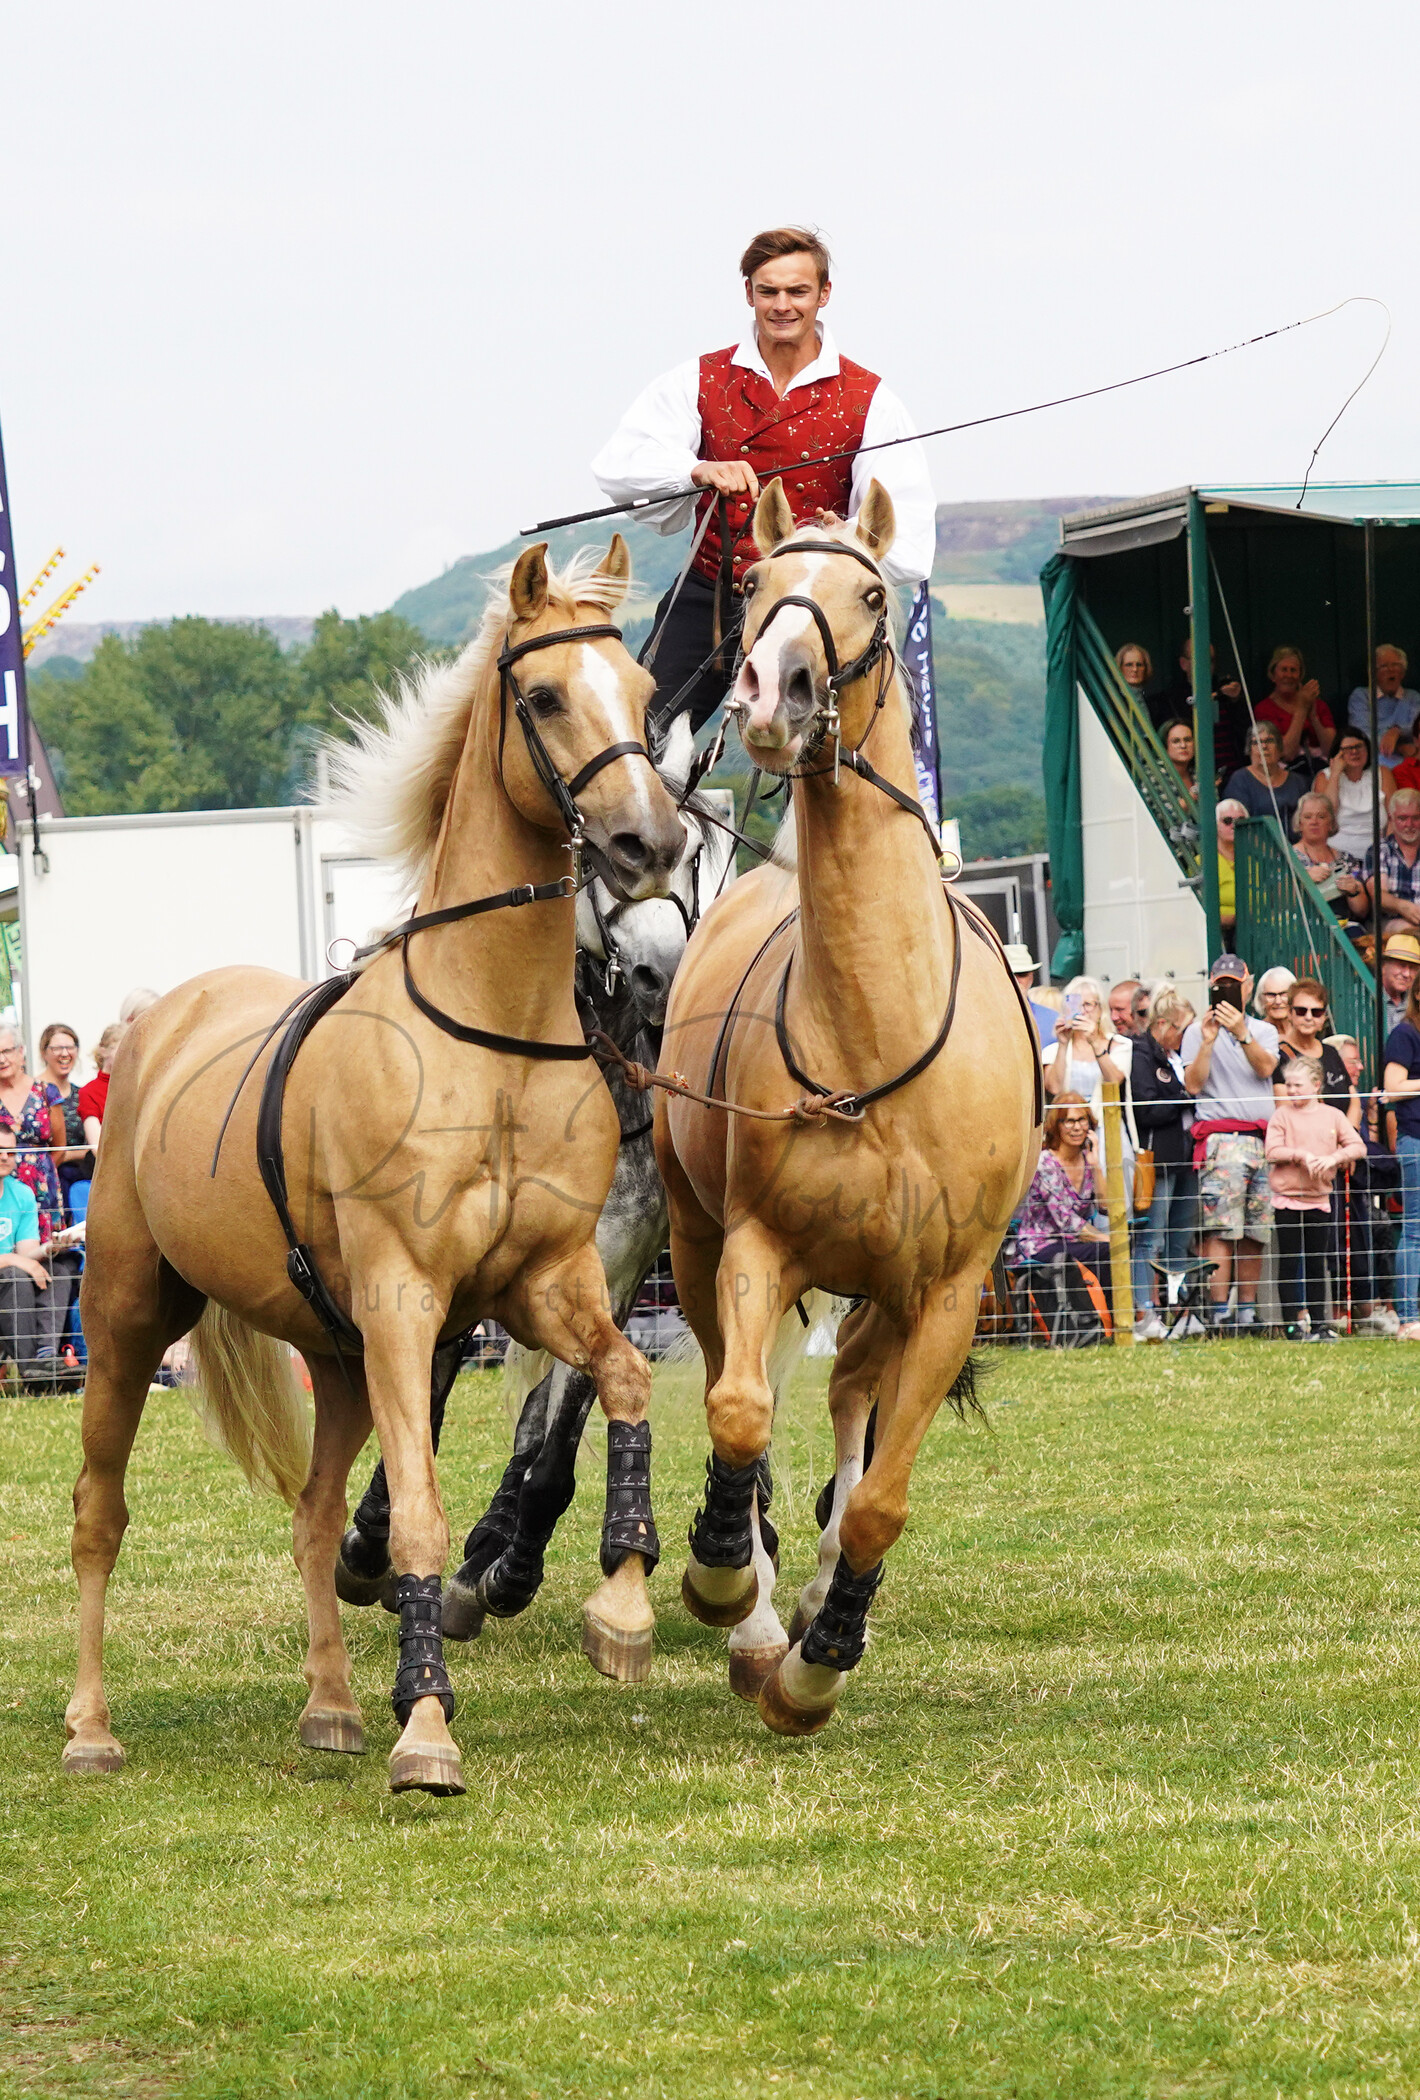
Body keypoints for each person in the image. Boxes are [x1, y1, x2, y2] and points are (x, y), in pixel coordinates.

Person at [591, 226, 935, 738]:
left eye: (797, 291)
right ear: (748, 293)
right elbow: (618, 464)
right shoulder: (699, 379)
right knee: (637, 741)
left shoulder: (872, 399)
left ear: (824, 295)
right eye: (768, 290)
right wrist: (694, 470)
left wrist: (843, 537)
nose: (782, 305)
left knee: (854, 775)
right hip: (710, 594)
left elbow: (909, 545)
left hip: (820, 610)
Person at [1182, 954, 1281, 1333]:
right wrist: (1208, 1041)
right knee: (1222, 1228)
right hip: (1222, 1138)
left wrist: (1242, 1033)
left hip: (1259, 1138)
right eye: (1220, 985)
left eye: (1233, 984)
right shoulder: (1196, 1031)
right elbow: (1193, 1084)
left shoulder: (1264, 1030)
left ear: (1248, 984)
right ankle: (1220, 1312)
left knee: (1256, 1230)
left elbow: (1266, 1068)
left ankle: (1247, 1312)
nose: (1227, 991)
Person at [1265, 1055, 1364, 1342]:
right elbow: (1272, 1150)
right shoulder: (1282, 1115)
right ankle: (1292, 1324)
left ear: (1317, 1085)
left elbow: (1357, 1146)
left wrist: (1334, 1157)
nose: (1292, 1091)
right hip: (1287, 1200)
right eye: (1288, 1085)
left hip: (1319, 1198)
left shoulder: (1332, 1115)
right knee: (1289, 1261)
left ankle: (1320, 1324)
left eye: (1298, 1085)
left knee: (1315, 1262)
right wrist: (1300, 1156)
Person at [1127, 986, 1197, 1340]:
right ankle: (1144, 1310)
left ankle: (1178, 1310)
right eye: (1182, 1029)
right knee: (1149, 1238)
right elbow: (1147, 1109)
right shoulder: (1140, 1054)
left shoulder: (1173, 1057)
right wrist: (1184, 1098)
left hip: (1185, 1159)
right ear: (1163, 1023)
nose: (1185, 1037)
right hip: (1156, 1160)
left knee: (1179, 1239)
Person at [1014, 1093, 1112, 1343]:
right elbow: (1067, 1222)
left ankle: (1112, 1324)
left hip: (1073, 1242)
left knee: (1112, 1251)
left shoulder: (1086, 1160)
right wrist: (1106, 1239)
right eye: (1068, 1121)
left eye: (1082, 1119)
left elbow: (1106, 1207)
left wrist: (1095, 1163)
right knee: (1109, 1250)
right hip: (1039, 1244)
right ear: (1056, 1126)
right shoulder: (1045, 1163)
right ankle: (1098, 1326)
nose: (1077, 1126)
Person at [1329, 1031, 1400, 1335]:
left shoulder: (1356, 1097)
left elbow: (1366, 1145)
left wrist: (1370, 1117)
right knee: (1337, 1242)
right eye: (1352, 1061)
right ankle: (1339, 1312)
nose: (1359, 1067)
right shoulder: (1333, 1098)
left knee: (1378, 1230)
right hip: (1334, 1179)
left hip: (1359, 1183)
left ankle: (1375, 1308)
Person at [0, 1123, 81, 1385]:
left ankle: (46, 1354)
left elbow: (27, 1253)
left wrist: (52, 1248)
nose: (4, 1157)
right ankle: (29, 1369)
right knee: (14, 1273)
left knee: (61, 1266)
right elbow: (19, 1260)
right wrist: (15, 1260)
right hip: (8, 1277)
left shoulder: (22, 1193)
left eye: (11, 1152)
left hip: (12, 1279)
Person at [1382, 978, 1420, 1340]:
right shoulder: (1405, 1034)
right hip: (1417, 1138)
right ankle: (1409, 1319)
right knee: (1415, 1230)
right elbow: (1393, 1087)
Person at [0, 1027, 62, 1240]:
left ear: (20, 1051)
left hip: (42, 1185)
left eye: (7, 1050)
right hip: (2, 1190)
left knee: (48, 1256)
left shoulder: (45, 1091)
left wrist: (40, 1169)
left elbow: (60, 1148)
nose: (2, 1059)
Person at [1149, 639, 1247, 775]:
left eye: (1210, 660)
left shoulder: (1227, 692)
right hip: (1197, 776)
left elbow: (1245, 732)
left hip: (1233, 773)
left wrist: (1236, 701)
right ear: (1184, 664)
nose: (1206, 665)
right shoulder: (1171, 700)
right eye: (1199, 659)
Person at [1273, 978, 1360, 1124]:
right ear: (1289, 1013)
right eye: (1301, 1011)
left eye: (1316, 1012)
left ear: (1324, 1017)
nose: (1308, 1017)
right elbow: (1286, 1110)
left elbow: (1354, 1100)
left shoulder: (1331, 1052)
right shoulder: (1279, 1055)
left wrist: (1348, 1136)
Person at [1042, 976, 1129, 1110]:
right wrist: (1063, 1044)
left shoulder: (1120, 1045)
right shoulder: (1052, 1050)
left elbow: (1114, 1082)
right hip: (1069, 1125)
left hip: (1107, 1125)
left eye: (1088, 1004)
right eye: (1075, 1005)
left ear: (1101, 1009)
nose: (1082, 1011)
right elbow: (1054, 1088)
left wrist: (1095, 1042)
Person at [38, 1021, 92, 1224]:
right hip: (46, 1181)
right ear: (44, 1053)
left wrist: (66, 1153)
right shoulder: (34, 1092)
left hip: (80, 1181)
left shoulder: (82, 1094)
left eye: (70, 1047)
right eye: (57, 1048)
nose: (64, 1053)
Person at [1291, 794, 1368, 933]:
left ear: (1331, 823)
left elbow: (1362, 911)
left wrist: (1353, 891)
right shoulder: (1287, 857)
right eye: (1308, 817)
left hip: (1342, 927)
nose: (1314, 822)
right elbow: (1276, 901)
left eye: (1321, 817)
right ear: (1299, 823)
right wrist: (1304, 879)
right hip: (1302, 929)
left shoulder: (1346, 859)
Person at [1255, 645, 1335, 768]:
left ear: (1300, 675)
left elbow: (1331, 749)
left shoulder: (1318, 705)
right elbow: (1287, 753)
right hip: (1286, 773)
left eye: (1293, 670)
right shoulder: (1264, 709)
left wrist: (1313, 717)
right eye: (1284, 670)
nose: (1288, 675)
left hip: (1321, 770)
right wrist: (1301, 711)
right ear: (1273, 674)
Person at [1348, 645, 1420, 774]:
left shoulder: (1413, 697)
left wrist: (1397, 731)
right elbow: (1362, 735)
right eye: (1384, 666)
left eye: (1396, 665)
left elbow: (1417, 730)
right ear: (1373, 673)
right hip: (1376, 766)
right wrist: (1399, 747)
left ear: (1403, 672)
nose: (1391, 670)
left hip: (1410, 765)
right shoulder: (1362, 696)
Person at [1223, 724, 1306, 834]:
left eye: (1270, 741)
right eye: (1256, 742)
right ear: (1249, 750)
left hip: (1294, 848)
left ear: (1279, 748)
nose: (1264, 746)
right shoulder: (1240, 780)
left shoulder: (1297, 781)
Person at [1317, 729, 1380, 861]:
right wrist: (1335, 774)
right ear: (1337, 753)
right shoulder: (1325, 777)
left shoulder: (1381, 773)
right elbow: (1326, 813)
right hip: (1336, 856)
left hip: (1378, 856)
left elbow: (1393, 817)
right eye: (1347, 748)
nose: (1354, 752)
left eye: (1358, 746)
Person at [1367, 788, 1420, 934]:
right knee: (1408, 931)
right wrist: (1402, 906)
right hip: (1390, 921)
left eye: (1416, 818)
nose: (1409, 824)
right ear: (1391, 819)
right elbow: (1378, 895)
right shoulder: (1379, 850)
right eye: (1402, 818)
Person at [79, 1022, 126, 1153]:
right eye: (121, 1049)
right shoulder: (89, 1092)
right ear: (104, 1051)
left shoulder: (137, 1088)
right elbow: (97, 1148)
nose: (128, 1055)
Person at [1004, 944, 1057, 1046]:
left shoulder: (1052, 1019)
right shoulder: (987, 1017)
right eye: (1011, 974)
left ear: (1031, 977)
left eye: (1022, 974)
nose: (1016, 980)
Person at [1216, 797, 1248, 934]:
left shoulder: (1257, 859)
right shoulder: (1203, 862)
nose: (1233, 825)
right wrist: (1235, 919)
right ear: (1216, 824)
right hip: (1223, 934)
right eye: (1227, 821)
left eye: (1240, 821)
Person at [1380, 932, 1420, 1036]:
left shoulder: (1416, 1001)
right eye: (1401, 966)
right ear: (1383, 966)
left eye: (1413, 968)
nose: (1407, 974)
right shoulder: (1364, 996)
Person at [1160, 718, 1197, 796]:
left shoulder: (1197, 772)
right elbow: (1167, 807)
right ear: (1165, 745)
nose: (1183, 746)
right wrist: (1198, 791)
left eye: (1187, 740)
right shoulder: (1156, 773)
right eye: (1176, 741)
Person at [1254, 965, 1298, 1030]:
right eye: (1271, 995)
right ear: (1261, 999)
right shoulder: (1253, 1033)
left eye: (1284, 994)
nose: (1278, 1001)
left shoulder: (1306, 1032)